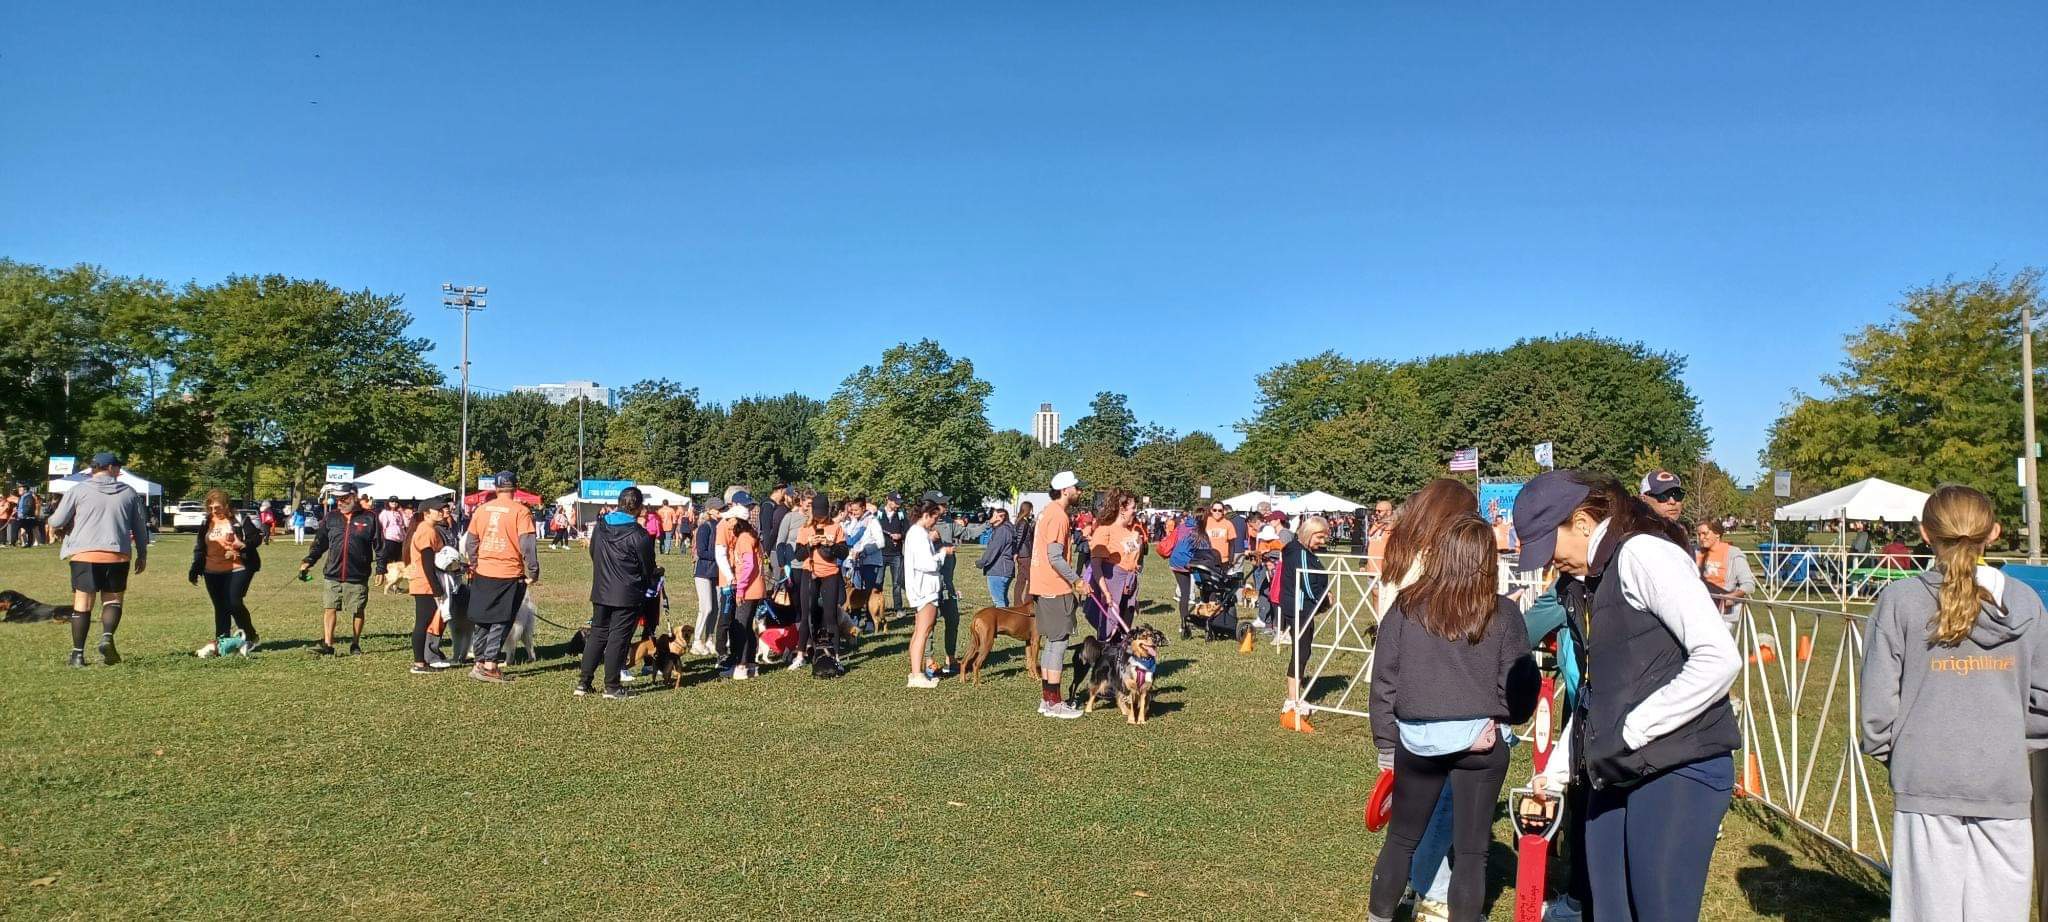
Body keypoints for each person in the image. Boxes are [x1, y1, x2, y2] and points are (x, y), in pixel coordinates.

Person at [1514, 470, 1740, 922]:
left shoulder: (1643, 554)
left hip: (1678, 768)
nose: (1548, 563)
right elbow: (1602, 691)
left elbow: (1719, 658)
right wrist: (1558, 771)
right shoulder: (1586, 583)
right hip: (1618, 769)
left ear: (1581, 522)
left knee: (1657, 911)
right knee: (1608, 910)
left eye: (1549, 546)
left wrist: (1633, 729)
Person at [1861, 484, 2048, 921]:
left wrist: (1901, 752)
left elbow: (1876, 707)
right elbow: (2044, 700)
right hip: (2003, 784)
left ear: (1925, 534)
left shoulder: (1900, 602)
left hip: (1925, 781)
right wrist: (2001, 746)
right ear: (1995, 533)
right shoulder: (2026, 604)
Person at [1367, 514, 1538, 922]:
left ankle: (1377, 917)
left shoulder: (1407, 606)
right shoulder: (1502, 612)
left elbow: (1383, 679)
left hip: (1416, 743)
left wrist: (1386, 742)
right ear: (1487, 560)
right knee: (1473, 851)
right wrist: (1501, 717)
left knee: (1401, 841)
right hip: (1480, 744)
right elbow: (1520, 683)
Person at [46, 453, 150, 667]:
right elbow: (140, 528)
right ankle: (107, 637)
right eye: (118, 467)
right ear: (110, 468)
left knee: (82, 604)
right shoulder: (129, 493)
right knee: (113, 600)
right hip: (117, 554)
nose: (120, 471)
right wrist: (142, 553)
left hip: (85, 554)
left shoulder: (78, 490)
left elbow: (56, 520)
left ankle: (77, 655)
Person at [580, 486, 658, 698]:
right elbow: (647, 566)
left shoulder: (601, 526)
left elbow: (593, 552)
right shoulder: (639, 534)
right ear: (639, 507)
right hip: (627, 593)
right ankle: (612, 686)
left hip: (602, 589)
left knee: (597, 634)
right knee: (618, 638)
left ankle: (583, 683)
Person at [462, 471, 539, 684]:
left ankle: (479, 662)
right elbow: (527, 545)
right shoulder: (521, 511)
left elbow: (471, 541)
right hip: (508, 573)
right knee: (501, 620)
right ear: (515, 487)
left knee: (482, 619)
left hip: (484, 571)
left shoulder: (482, 510)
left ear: (496, 488)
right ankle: (490, 665)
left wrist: (475, 562)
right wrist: (533, 571)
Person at [298, 483, 381, 656]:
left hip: (358, 574)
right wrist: (309, 560)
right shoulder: (331, 517)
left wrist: (381, 569)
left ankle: (355, 643)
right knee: (330, 608)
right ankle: (328, 644)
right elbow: (320, 543)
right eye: (337, 499)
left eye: (344, 498)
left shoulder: (370, 517)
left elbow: (380, 545)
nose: (340, 502)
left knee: (357, 609)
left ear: (354, 497)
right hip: (333, 573)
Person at [1031, 472, 1088, 719]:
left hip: (1043, 586)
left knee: (1053, 643)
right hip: (1055, 587)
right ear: (1066, 490)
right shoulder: (1058, 516)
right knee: (1058, 643)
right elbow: (1054, 557)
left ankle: (1048, 699)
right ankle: (1054, 703)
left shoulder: (1048, 512)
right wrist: (1076, 580)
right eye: (1077, 488)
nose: (1080, 492)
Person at [1273, 515, 1333, 732]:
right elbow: (1307, 581)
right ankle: (1291, 700)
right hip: (1299, 608)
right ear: (1309, 533)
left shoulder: (1301, 550)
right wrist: (1324, 599)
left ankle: (1295, 696)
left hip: (1300, 607)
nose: (1322, 541)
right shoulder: (1299, 553)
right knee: (1300, 651)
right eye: (1319, 537)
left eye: (1324, 537)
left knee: (1303, 651)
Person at [188, 489, 264, 657]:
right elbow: (200, 547)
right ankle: (223, 642)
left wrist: (241, 545)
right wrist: (195, 569)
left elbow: (256, 538)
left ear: (227, 506)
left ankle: (250, 635)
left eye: (218, 507)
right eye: (211, 507)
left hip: (238, 567)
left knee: (234, 602)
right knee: (220, 607)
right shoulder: (207, 522)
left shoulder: (238, 519)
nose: (214, 510)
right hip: (212, 570)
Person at [902, 498, 951, 688]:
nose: (935, 522)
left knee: (919, 632)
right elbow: (927, 564)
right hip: (925, 590)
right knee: (923, 631)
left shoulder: (917, 533)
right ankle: (917, 674)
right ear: (926, 515)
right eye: (935, 517)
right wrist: (942, 554)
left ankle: (916, 672)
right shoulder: (919, 534)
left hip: (921, 588)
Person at [1085, 489, 1144, 640]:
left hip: (1128, 587)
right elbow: (1096, 565)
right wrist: (1105, 592)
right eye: (1133, 508)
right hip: (1111, 588)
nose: (1135, 511)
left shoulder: (1131, 531)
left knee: (1124, 635)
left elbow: (1133, 561)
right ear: (1122, 509)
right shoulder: (1105, 530)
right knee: (1109, 635)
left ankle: (1120, 662)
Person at [403, 499, 454, 673]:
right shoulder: (426, 530)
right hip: (424, 583)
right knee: (423, 623)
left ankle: (424, 659)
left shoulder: (428, 529)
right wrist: (436, 588)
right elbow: (427, 562)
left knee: (426, 622)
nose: (442, 511)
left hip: (425, 582)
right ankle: (419, 663)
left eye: (442, 509)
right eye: (437, 509)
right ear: (426, 513)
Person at [797, 493, 847, 666]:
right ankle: (801, 654)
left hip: (830, 573)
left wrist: (831, 544)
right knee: (807, 615)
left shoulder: (836, 527)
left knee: (830, 615)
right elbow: (798, 555)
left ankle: (835, 656)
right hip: (809, 572)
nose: (820, 517)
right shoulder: (804, 529)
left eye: (822, 513)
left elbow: (844, 553)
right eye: (817, 514)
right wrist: (809, 544)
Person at [717, 492, 763, 680]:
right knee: (748, 627)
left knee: (740, 628)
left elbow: (749, 565)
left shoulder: (744, 538)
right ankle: (751, 665)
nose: (728, 523)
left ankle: (742, 666)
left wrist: (740, 588)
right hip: (756, 586)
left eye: (730, 519)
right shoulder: (751, 534)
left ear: (737, 521)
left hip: (749, 588)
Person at [1695, 520, 1756, 632]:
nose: (1701, 538)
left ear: (1717, 534)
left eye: (1705, 533)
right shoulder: (1695, 552)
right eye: (1699, 534)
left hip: (1722, 612)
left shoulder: (1733, 553)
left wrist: (1731, 596)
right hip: (1697, 610)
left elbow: (1749, 585)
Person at [690, 497, 723, 655]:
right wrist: (720, 555)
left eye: (721, 509)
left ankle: (710, 639)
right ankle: (696, 641)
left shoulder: (721, 526)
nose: (720, 512)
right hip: (703, 572)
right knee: (706, 607)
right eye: (717, 509)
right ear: (710, 510)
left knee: (716, 608)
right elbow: (701, 551)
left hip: (717, 572)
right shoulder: (705, 527)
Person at [975, 507, 1016, 609]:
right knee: (1003, 599)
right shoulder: (1008, 529)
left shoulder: (1002, 531)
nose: (990, 518)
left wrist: (981, 562)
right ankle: (1005, 621)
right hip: (1005, 569)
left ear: (1000, 517)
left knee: (999, 601)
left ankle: (1002, 622)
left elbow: (993, 550)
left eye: (993, 515)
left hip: (998, 571)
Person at [879, 492, 910, 614]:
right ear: (888, 500)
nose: (897, 505)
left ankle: (898, 608)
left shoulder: (901, 514)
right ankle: (879, 608)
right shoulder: (878, 514)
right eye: (895, 503)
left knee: (897, 583)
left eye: (899, 503)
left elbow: (907, 531)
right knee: (878, 583)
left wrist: (900, 536)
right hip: (880, 554)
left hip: (896, 554)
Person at [1008, 500, 1036, 608]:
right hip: (1024, 555)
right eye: (1031, 510)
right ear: (1027, 510)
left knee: (1021, 579)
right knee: (1031, 579)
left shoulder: (1021, 521)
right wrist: (1016, 552)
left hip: (1022, 554)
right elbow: (1019, 539)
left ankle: (1018, 603)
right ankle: (1027, 603)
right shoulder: (1023, 523)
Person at [377, 499, 408, 592]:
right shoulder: (385, 513)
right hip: (389, 540)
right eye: (392, 501)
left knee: (399, 563)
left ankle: (396, 586)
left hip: (400, 540)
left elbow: (406, 524)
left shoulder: (399, 513)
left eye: (396, 502)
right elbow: (381, 526)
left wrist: (403, 513)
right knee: (389, 563)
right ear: (388, 503)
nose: (394, 503)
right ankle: (389, 583)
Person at [1365, 500, 1394, 575]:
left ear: (1388, 512)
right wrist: (1362, 563)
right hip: (1371, 570)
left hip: (1386, 572)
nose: (1376, 513)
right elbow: (1367, 546)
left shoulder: (1394, 528)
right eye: (1376, 510)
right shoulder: (1374, 526)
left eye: (1379, 511)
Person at [15, 484, 42, 548]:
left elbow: (29, 507)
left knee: (31, 530)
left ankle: (31, 543)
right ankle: (25, 543)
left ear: (25, 490)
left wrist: (24, 514)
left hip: (28, 517)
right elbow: (20, 506)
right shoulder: (21, 497)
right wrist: (16, 509)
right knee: (23, 531)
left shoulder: (29, 497)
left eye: (20, 489)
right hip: (21, 517)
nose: (19, 491)